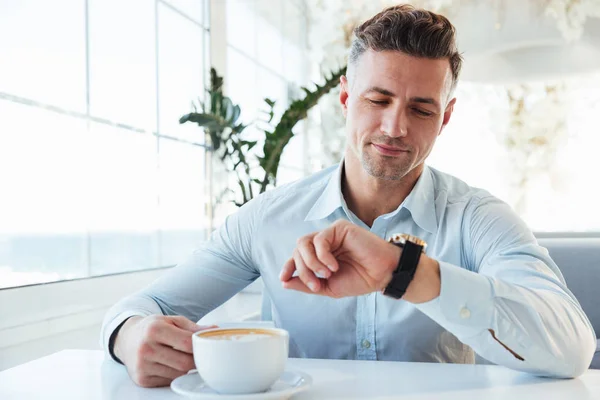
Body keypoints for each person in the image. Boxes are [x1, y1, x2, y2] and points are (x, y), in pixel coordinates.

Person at [101, 4, 596, 388]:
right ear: (344, 98)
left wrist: (405, 272)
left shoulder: (478, 218)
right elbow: (143, 305)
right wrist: (129, 337)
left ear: (445, 118)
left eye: (422, 110)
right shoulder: (266, 218)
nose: (394, 127)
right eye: (377, 99)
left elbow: (572, 347)